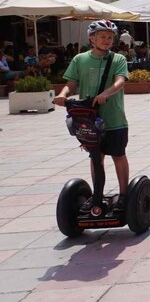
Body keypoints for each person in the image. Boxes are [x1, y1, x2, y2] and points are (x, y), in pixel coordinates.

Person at [54, 20, 131, 211]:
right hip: (88, 119)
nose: (107, 40)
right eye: (102, 37)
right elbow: (71, 83)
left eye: (110, 37)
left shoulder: (118, 59)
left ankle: (123, 195)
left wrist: (106, 93)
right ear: (92, 38)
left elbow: (121, 80)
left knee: (118, 155)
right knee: (96, 157)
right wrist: (63, 95)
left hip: (114, 118)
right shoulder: (80, 59)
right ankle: (98, 195)